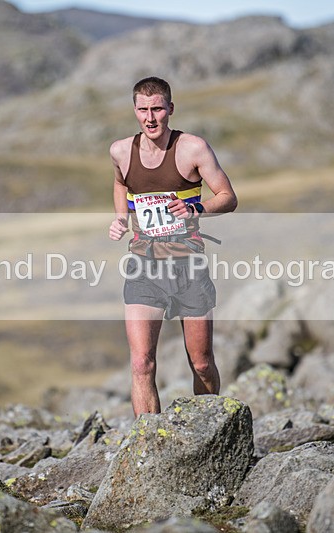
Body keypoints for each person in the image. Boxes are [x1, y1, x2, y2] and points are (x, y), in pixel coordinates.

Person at [108, 76, 238, 417]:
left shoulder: (193, 148)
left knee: (201, 363)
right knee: (141, 364)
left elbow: (228, 197)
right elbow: (121, 181)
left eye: (157, 109)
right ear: (135, 111)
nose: (150, 118)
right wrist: (121, 218)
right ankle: (147, 449)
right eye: (143, 110)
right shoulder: (121, 150)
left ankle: (208, 431)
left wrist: (196, 208)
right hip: (143, 267)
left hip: (188, 268)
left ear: (170, 109)